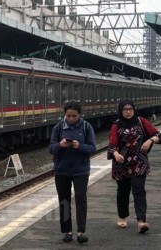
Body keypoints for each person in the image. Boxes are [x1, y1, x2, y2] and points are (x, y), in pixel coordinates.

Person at [107, 99, 161, 234]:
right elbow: (112, 143)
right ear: (120, 111)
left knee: (139, 190)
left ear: (134, 110)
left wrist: (150, 141)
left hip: (139, 163)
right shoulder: (116, 125)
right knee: (123, 192)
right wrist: (115, 153)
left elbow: (157, 135)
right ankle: (122, 216)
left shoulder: (141, 121)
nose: (128, 112)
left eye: (130, 109)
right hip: (121, 165)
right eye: (125, 109)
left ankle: (141, 221)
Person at [49, 100, 96, 244]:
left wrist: (79, 146)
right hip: (61, 169)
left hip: (81, 170)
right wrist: (60, 145)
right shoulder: (58, 128)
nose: (70, 119)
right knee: (64, 200)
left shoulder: (87, 127)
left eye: (74, 116)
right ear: (64, 114)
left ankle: (81, 231)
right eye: (68, 116)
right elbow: (51, 148)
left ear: (79, 115)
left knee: (81, 198)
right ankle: (67, 231)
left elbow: (92, 148)